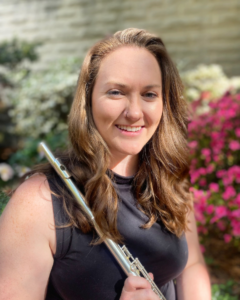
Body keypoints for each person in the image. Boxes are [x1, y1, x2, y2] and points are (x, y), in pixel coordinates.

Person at [0, 28, 211, 300]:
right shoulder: (39, 201)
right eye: (116, 92)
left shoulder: (169, 181)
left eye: (149, 94)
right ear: (87, 102)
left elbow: (190, 266)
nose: (134, 113)